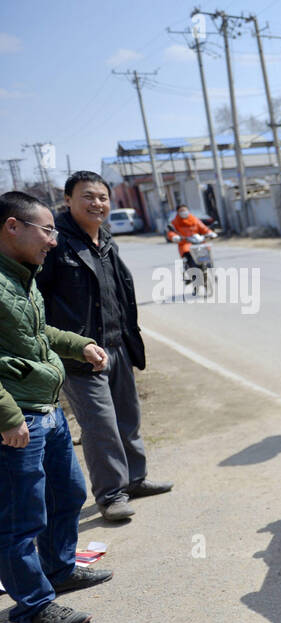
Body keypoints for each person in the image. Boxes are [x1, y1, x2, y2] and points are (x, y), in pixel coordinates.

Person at [0, 191, 113, 623]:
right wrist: (6, 416)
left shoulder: (22, 276)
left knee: (67, 494)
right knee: (19, 519)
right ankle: (31, 607)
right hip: (19, 417)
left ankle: (60, 569)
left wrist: (77, 343)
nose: (52, 240)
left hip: (47, 407)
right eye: (46, 230)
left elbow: (35, 331)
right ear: (13, 227)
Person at [36, 170, 172, 523]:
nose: (97, 203)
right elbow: (37, 299)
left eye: (102, 197)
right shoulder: (55, 244)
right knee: (100, 426)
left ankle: (135, 479)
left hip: (117, 346)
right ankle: (111, 495)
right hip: (79, 353)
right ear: (68, 201)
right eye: (87, 196)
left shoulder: (106, 240)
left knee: (128, 418)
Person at [165, 202, 215, 284]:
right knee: (188, 257)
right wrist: (174, 237)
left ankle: (211, 272)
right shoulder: (175, 222)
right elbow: (171, 232)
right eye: (181, 211)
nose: (184, 212)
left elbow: (203, 228)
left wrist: (210, 232)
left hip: (198, 242)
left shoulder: (194, 219)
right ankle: (191, 274)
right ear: (178, 212)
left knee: (207, 255)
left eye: (185, 210)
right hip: (185, 243)